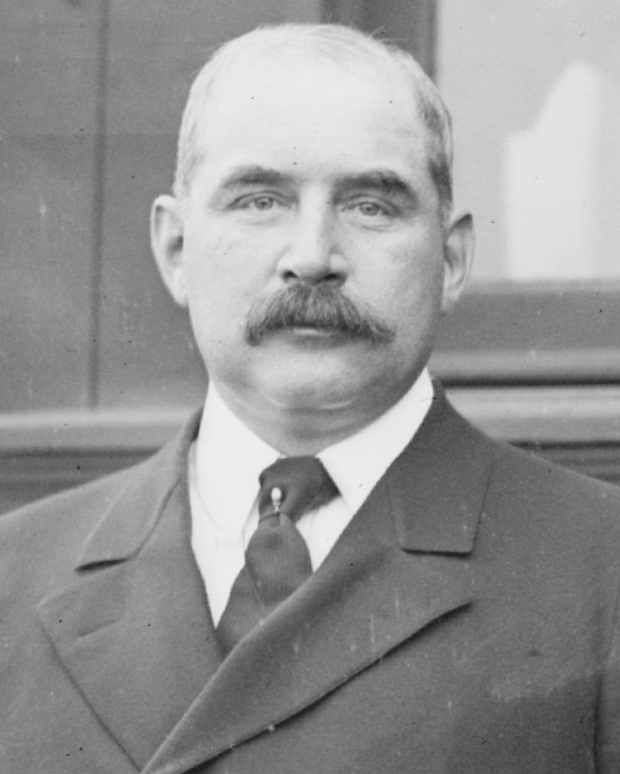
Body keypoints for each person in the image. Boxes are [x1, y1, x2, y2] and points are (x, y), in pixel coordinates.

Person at [1, 23, 619, 774]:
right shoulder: (14, 575)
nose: (311, 257)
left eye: (371, 206)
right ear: (176, 249)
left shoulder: (600, 571)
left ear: (452, 259)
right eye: (260, 200)